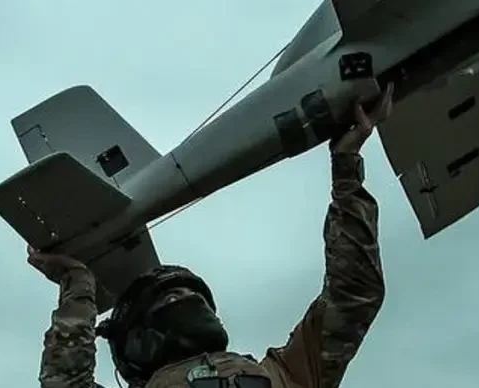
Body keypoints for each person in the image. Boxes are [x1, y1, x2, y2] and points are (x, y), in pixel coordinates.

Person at [28, 83, 394, 388]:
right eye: (172, 298)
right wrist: (346, 171)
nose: (183, 299)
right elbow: (354, 294)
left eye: (184, 295)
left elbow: (354, 295)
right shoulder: (289, 376)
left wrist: (78, 286)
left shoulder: (289, 376)